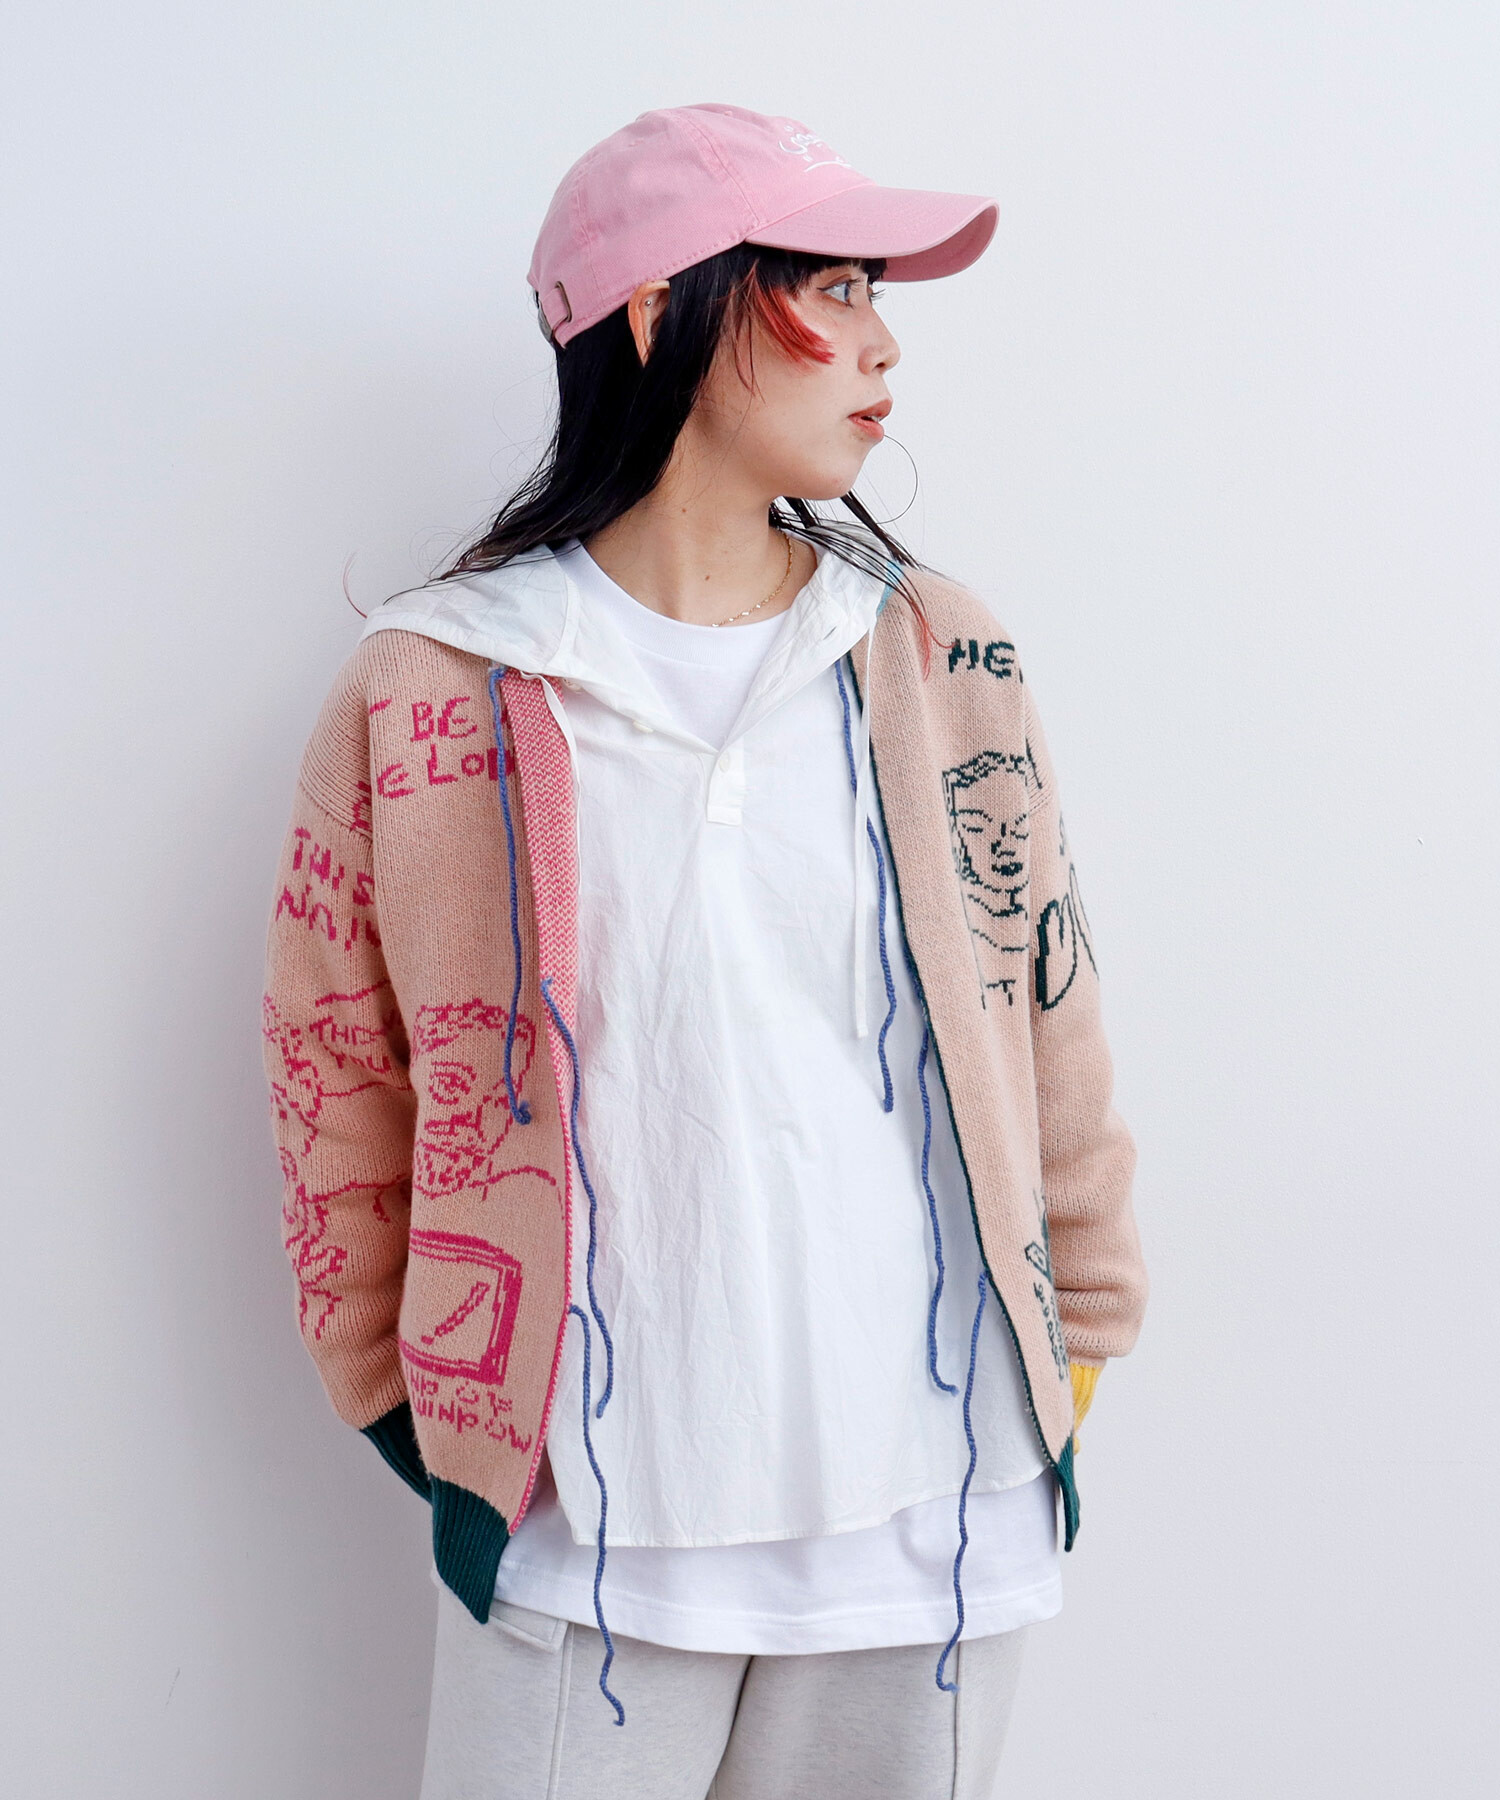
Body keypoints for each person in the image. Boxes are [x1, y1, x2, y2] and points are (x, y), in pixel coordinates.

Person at [261, 103, 1148, 1800]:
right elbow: (336, 1074)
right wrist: (422, 1408)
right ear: (661, 311)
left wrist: (1085, 1330)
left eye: (878, 291)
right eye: (832, 285)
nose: (883, 342)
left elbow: (1049, 1001)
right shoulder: (438, 682)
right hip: (587, 1530)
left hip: (936, 1520)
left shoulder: (935, 653)